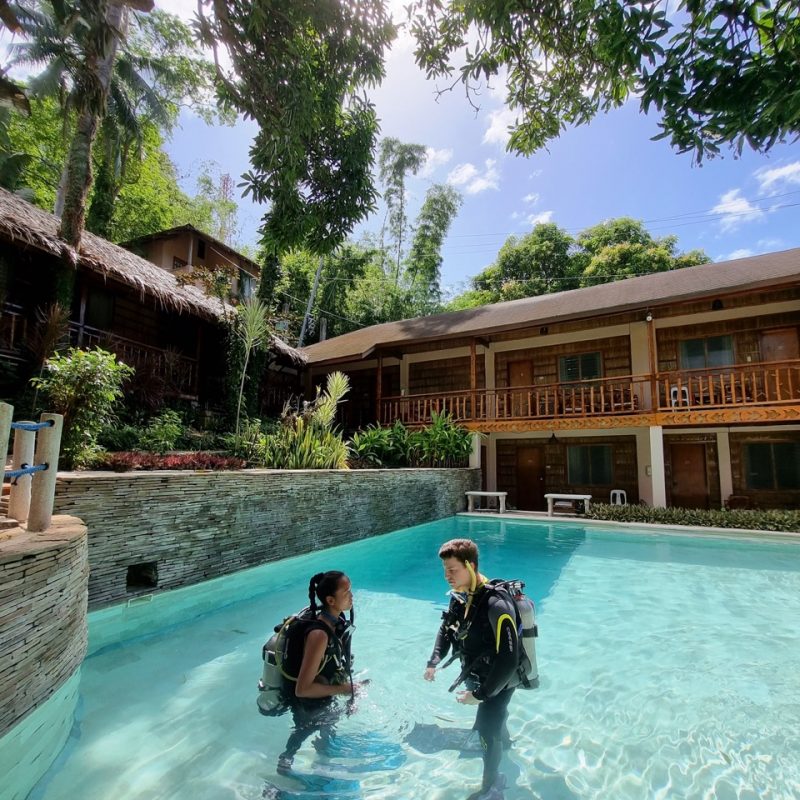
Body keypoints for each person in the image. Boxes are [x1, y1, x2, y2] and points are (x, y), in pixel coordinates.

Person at [424, 539, 521, 800]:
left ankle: (491, 787)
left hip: (500, 680)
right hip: (477, 674)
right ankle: (505, 743)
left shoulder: (496, 605)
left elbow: (509, 659)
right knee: (493, 721)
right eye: (445, 570)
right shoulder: (461, 598)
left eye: (452, 570)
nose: (447, 576)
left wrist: (481, 695)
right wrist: (434, 660)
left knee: (486, 729)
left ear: (471, 566)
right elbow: (447, 629)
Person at [277, 570, 368, 774]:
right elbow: (302, 689)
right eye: (346, 592)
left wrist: (347, 691)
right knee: (303, 731)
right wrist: (344, 689)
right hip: (307, 703)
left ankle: (324, 760)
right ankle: (284, 766)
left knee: (328, 727)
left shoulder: (336, 621)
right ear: (330, 600)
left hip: (324, 694)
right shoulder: (319, 634)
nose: (352, 596)